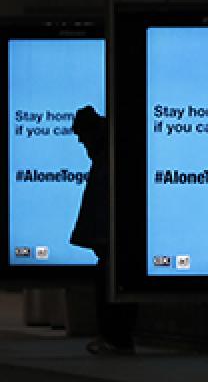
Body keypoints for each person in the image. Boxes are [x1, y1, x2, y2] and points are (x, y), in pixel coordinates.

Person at [70, 105, 136, 355]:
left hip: (110, 240)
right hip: (112, 239)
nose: (81, 144)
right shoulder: (108, 152)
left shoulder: (105, 157)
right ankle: (117, 336)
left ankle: (114, 336)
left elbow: (101, 200)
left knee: (109, 287)